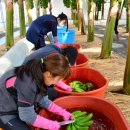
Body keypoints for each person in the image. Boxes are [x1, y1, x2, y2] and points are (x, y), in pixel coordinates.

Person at [0, 54, 74, 130]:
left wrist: (63, 112)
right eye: (58, 79)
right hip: (4, 112)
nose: (57, 82)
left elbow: (44, 101)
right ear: (49, 74)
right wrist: (50, 124)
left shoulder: (40, 72)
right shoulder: (27, 84)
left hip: (17, 103)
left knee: (52, 93)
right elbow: (27, 115)